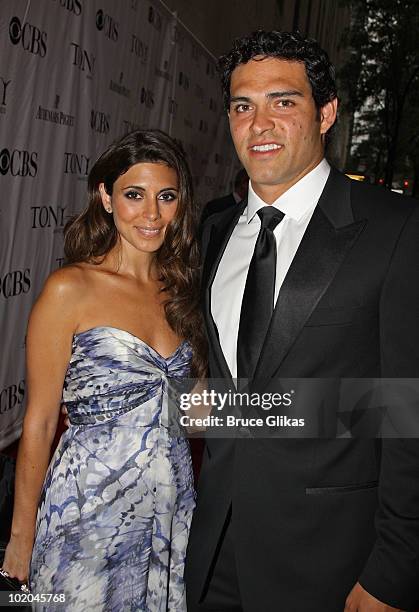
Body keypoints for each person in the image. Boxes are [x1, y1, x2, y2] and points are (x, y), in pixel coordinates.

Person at [185, 30, 419, 612]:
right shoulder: (214, 231)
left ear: (327, 113)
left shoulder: (394, 228)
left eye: (283, 102)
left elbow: (406, 406)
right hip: (214, 546)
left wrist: (394, 570)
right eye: (243, 106)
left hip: (333, 560)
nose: (259, 124)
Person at [2, 129, 206, 611]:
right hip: (87, 511)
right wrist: (20, 534)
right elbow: (41, 422)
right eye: (134, 195)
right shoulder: (70, 288)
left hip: (170, 507)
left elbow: (193, 413)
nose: (152, 214)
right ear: (106, 198)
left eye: (167, 196)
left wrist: (307, 412)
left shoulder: (182, 293)